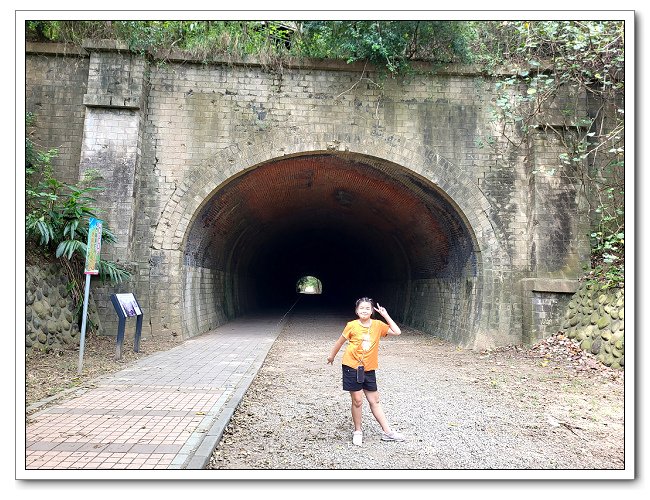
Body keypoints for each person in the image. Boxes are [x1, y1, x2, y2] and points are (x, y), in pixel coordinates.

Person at [327, 297, 405, 446]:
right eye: (361, 308)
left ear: (371, 311)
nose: (364, 310)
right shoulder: (351, 325)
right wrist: (331, 356)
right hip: (351, 367)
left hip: (368, 368)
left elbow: (397, 332)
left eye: (367, 308)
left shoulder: (377, 325)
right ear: (357, 311)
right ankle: (357, 431)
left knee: (374, 400)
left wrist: (385, 315)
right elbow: (339, 342)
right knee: (357, 401)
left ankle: (388, 432)